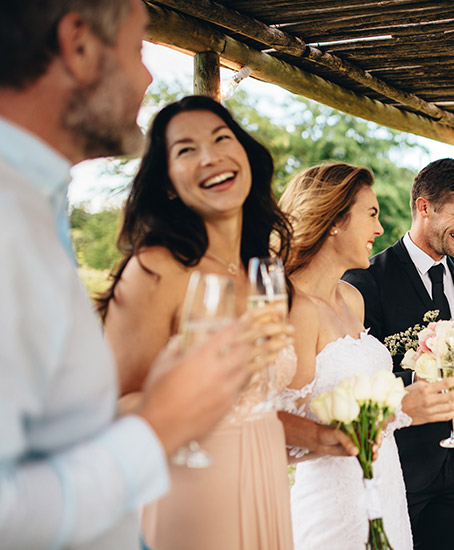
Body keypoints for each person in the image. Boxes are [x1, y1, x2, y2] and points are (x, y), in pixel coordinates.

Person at [0, 2, 271, 549]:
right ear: (79, 45)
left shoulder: (37, 206)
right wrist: (161, 422)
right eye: (139, 48)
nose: (148, 77)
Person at [98, 95, 308, 549]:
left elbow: (260, 401)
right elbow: (111, 413)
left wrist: (325, 436)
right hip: (190, 488)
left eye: (220, 138)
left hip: (268, 476)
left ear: (246, 157)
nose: (210, 156)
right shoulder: (157, 268)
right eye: (186, 149)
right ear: (169, 182)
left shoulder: (263, 271)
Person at [279, 163, 454, 550]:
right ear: (334, 221)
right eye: (371, 214)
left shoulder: (351, 299)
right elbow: (277, 432)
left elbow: (360, 396)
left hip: (385, 488)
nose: (380, 229)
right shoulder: (295, 308)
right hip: (333, 506)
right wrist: (399, 410)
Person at [343, 158, 454, 550]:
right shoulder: (366, 280)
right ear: (425, 207)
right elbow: (355, 377)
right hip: (405, 463)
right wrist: (419, 380)